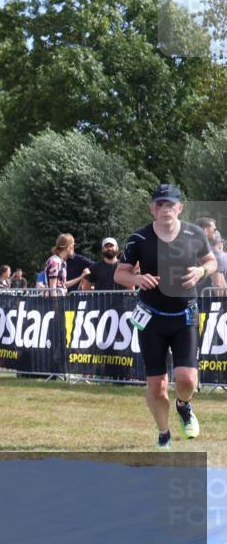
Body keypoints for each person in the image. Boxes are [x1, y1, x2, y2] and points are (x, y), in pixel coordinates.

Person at [114, 184, 217, 449]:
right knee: (157, 386)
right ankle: (164, 434)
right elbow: (119, 273)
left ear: (179, 208)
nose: (165, 209)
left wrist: (201, 273)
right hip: (151, 319)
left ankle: (184, 406)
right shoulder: (139, 239)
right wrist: (137, 278)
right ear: (152, 209)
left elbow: (212, 262)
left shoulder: (195, 234)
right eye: (160, 204)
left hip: (185, 316)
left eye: (170, 204)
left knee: (187, 379)